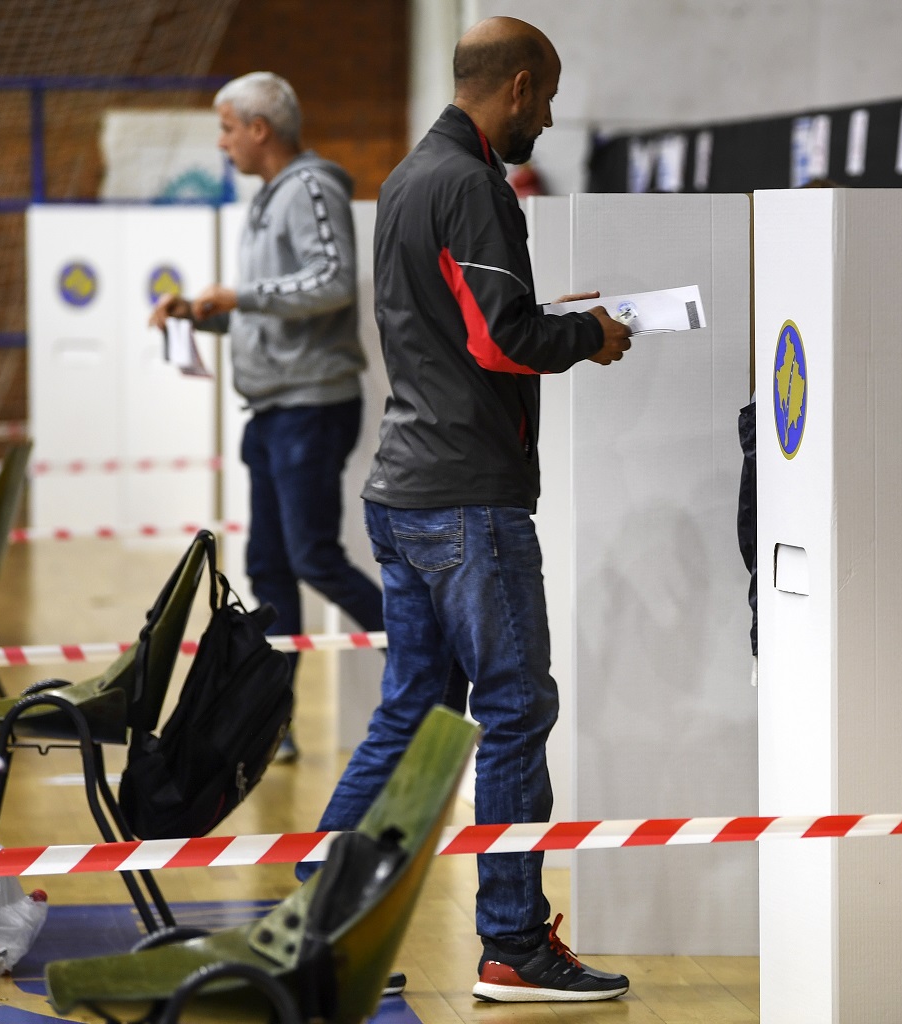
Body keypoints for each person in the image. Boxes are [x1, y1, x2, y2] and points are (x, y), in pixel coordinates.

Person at [300, 17, 633, 1003]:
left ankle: (323, 917)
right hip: (465, 503)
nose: (551, 114)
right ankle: (513, 943)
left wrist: (543, 318)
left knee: (411, 708)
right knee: (517, 706)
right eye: (551, 94)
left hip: (403, 492)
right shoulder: (476, 183)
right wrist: (591, 333)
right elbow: (500, 341)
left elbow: (464, 323)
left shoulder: (406, 178)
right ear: (521, 85)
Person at [148, 71, 383, 764]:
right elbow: (272, 312)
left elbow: (331, 283)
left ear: (259, 129)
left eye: (226, 128)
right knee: (270, 565)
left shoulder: (311, 187)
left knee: (312, 556)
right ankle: (272, 722)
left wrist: (241, 294)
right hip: (274, 410)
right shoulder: (269, 199)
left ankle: (427, 664)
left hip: (310, 407)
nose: (222, 144)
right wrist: (203, 312)